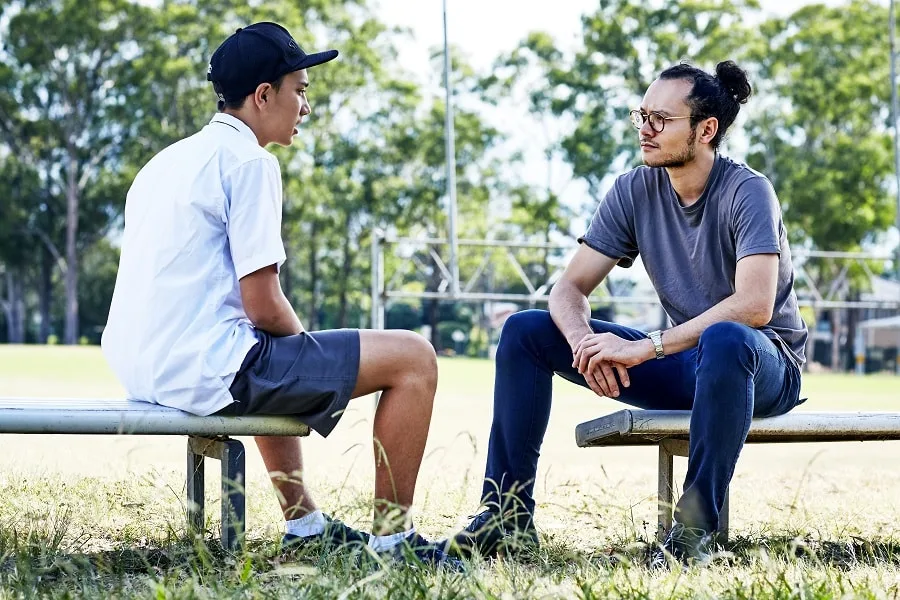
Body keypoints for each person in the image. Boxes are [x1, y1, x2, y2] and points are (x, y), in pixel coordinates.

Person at [101, 22, 458, 567]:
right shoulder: (249, 163)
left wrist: (297, 357)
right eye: (301, 90)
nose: (305, 108)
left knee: (267, 350)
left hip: (143, 365)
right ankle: (393, 541)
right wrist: (308, 357)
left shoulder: (165, 162)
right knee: (414, 357)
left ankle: (305, 525)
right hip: (202, 368)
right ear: (264, 95)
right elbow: (264, 305)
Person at [445, 60, 807, 565]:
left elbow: (754, 305)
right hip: (688, 362)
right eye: (642, 115)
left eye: (662, 119)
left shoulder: (748, 191)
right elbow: (568, 287)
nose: (645, 129)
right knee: (526, 330)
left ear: (706, 130)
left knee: (726, 337)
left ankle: (693, 531)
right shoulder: (635, 189)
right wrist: (583, 344)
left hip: (762, 364)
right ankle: (506, 518)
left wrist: (644, 347)